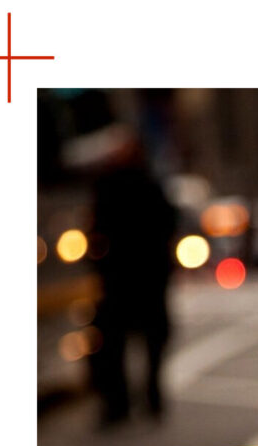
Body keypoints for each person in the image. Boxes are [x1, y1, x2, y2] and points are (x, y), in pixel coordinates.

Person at [89, 131, 178, 425]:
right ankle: (134, 399)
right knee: (128, 342)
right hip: (136, 277)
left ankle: (131, 400)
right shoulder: (143, 185)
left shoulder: (119, 185)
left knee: (125, 342)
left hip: (130, 278)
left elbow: (96, 231)